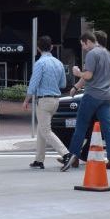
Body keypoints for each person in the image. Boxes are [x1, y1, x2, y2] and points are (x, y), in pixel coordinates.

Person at [64, 30, 110, 172]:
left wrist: (77, 73)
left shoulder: (92, 54)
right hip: (106, 96)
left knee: (81, 126)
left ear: (88, 41)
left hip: (92, 95)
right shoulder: (108, 54)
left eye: (83, 45)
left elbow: (88, 75)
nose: (83, 48)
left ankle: (73, 156)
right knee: (107, 128)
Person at [22, 35, 71, 169]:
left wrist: (26, 100)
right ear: (52, 47)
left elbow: (33, 83)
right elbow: (63, 83)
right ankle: (39, 159)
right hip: (56, 100)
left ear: (38, 48)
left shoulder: (40, 63)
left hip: (43, 100)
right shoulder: (59, 63)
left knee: (45, 130)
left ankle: (66, 154)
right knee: (41, 129)